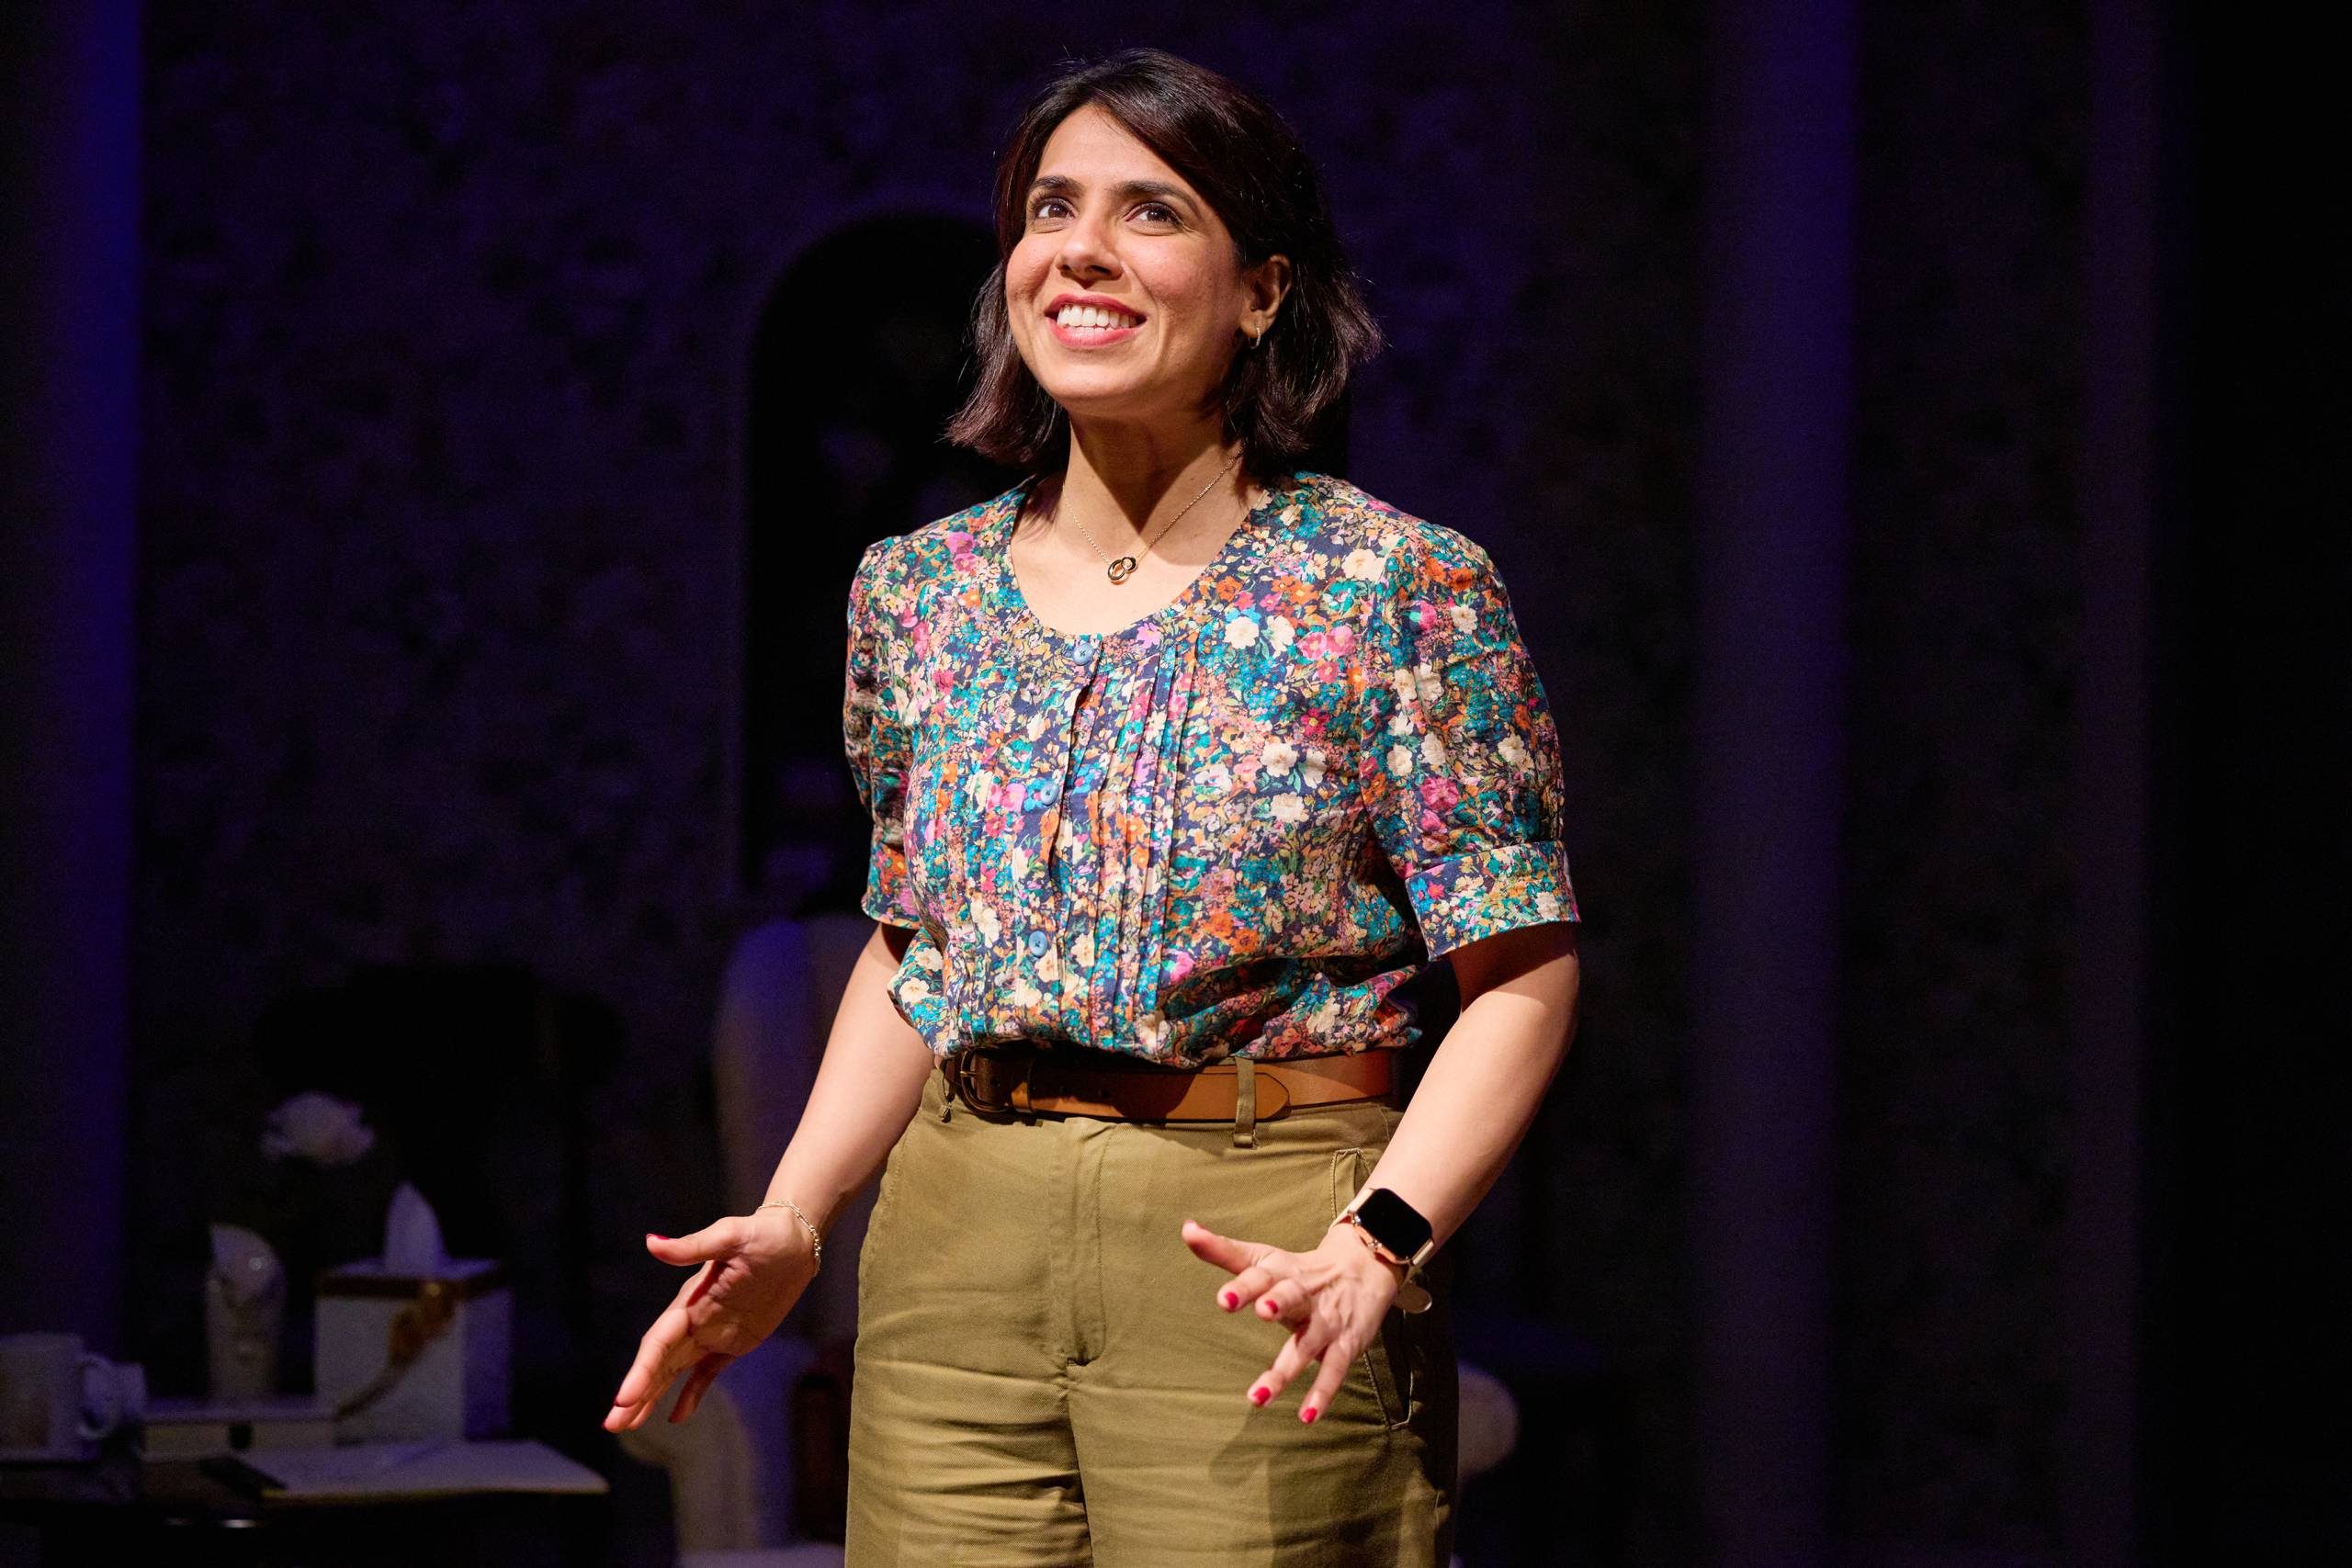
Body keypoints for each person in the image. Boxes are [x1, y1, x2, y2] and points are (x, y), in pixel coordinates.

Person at [605, 47, 1583, 1565]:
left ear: (1261, 291)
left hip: (1260, 1231)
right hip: (959, 1239)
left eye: (1152, 211)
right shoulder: (920, 593)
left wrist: (1380, 1239)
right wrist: (797, 1215)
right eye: (1051, 208)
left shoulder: (1394, 587)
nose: (1081, 249)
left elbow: (1520, 969)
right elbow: (917, 947)